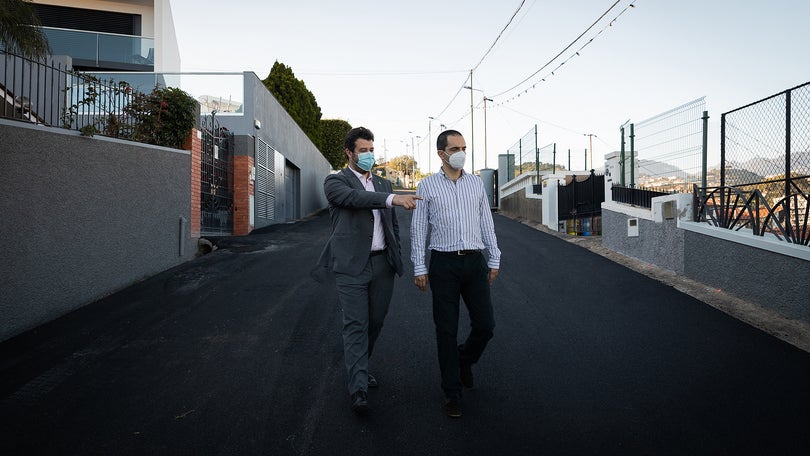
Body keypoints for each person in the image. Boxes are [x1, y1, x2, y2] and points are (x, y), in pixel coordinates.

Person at [315, 126, 422, 414]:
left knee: (375, 321)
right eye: (363, 150)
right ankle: (358, 387)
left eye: (371, 150)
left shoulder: (384, 183)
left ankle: (360, 365)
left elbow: (392, 227)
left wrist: (396, 255)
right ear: (349, 152)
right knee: (355, 325)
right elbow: (355, 199)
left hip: (381, 264)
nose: (369, 155)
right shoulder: (335, 182)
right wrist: (392, 199)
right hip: (351, 265)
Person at [410, 129, 500, 418]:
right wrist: (419, 266)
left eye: (464, 147)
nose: (461, 152)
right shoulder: (426, 187)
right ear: (441, 153)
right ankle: (452, 392)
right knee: (446, 330)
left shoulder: (475, 184)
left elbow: (486, 221)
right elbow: (418, 229)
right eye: (455, 148)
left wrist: (494, 258)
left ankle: (464, 361)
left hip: (474, 263)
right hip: (443, 264)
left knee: (485, 325)